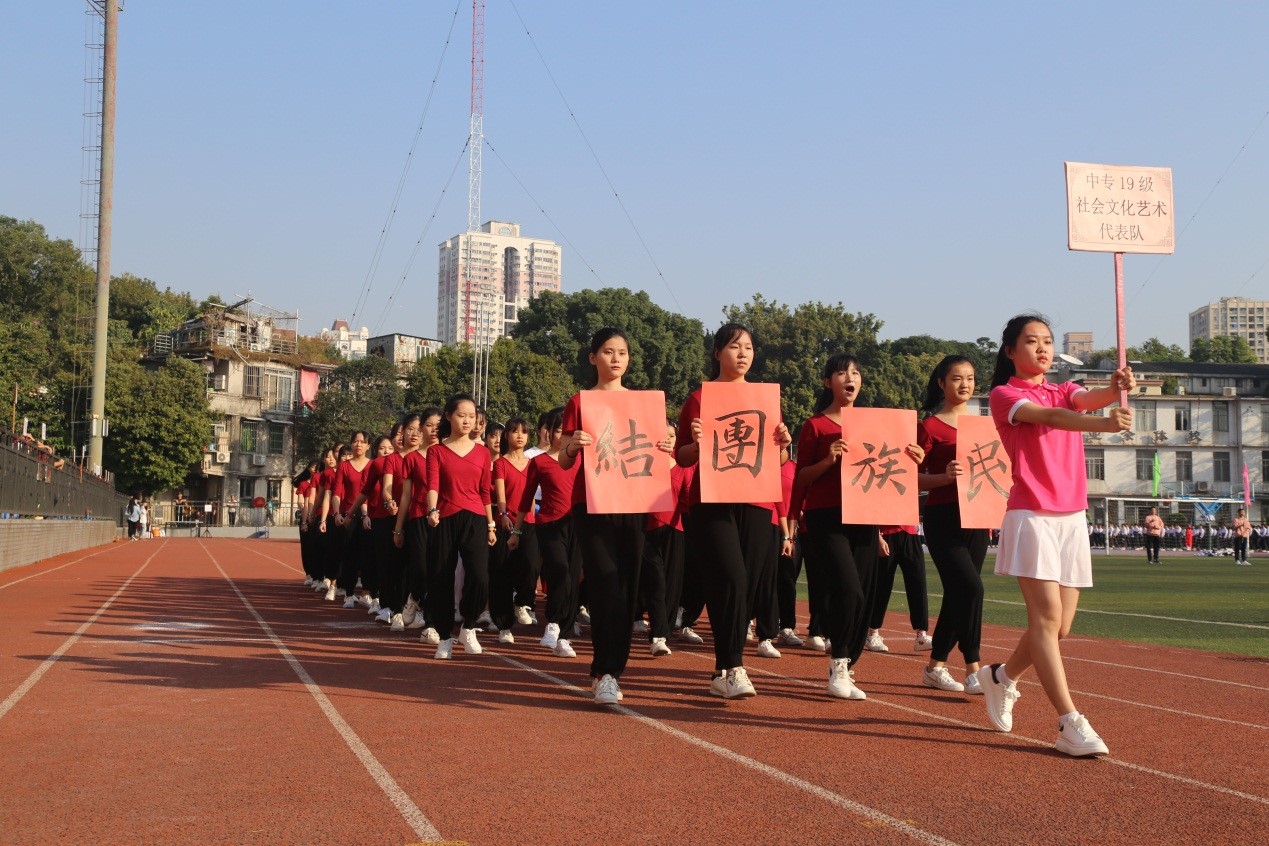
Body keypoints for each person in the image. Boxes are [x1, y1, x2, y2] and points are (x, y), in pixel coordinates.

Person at [977, 313, 1134, 758]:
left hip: (1071, 517)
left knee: (1059, 627)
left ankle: (1002, 677)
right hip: (1032, 514)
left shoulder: (1064, 387)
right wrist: (1106, 424)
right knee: (1044, 620)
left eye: (1047, 341)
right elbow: (1050, 417)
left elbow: (1089, 397)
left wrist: (1118, 384)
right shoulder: (1005, 394)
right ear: (1010, 350)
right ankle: (1069, 721)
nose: (1042, 348)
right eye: (1031, 341)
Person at [789, 353, 922, 699]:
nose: (850, 378)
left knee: (865, 597)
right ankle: (837, 664)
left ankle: (848, 665)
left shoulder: (875, 427)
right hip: (825, 517)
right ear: (827, 382)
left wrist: (913, 460)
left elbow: (886, 477)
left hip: (864, 518)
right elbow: (800, 477)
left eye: (856, 372)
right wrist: (828, 458)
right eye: (841, 372)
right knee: (850, 590)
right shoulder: (816, 426)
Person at [560, 328, 676, 705]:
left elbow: (662, 451)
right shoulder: (580, 402)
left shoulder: (643, 405)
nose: (615, 359)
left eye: (622, 352)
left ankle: (606, 669)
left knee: (626, 587)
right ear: (592, 357)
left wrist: (667, 443)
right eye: (607, 352)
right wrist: (573, 446)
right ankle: (607, 672)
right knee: (605, 585)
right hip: (592, 504)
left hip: (633, 502)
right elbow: (563, 458)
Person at [676, 323, 792, 699]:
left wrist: (785, 443)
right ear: (716, 353)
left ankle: (722, 669)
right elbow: (681, 456)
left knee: (746, 589)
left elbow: (779, 457)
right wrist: (695, 442)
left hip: (758, 503)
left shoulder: (765, 400)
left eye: (748, 347)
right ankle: (735, 667)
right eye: (733, 346)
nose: (742, 353)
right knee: (733, 580)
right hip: (713, 501)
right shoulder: (699, 400)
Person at [915, 355, 989, 694]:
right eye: (957, 378)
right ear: (942, 383)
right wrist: (942, 478)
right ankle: (974, 667)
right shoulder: (929, 426)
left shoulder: (984, 426)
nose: (965, 384)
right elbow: (910, 478)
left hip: (978, 515)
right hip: (943, 516)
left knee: (958, 593)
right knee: (971, 588)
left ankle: (935, 666)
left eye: (971, 378)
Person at [424, 394, 496, 659]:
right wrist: (432, 510)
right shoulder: (437, 451)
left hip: (476, 517)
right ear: (448, 416)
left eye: (472, 416)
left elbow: (485, 492)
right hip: (445, 517)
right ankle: (444, 636)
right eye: (461, 415)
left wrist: (490, 524)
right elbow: (433, 484)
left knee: (479, 575)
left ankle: (468, 625)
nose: (468, 421)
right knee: (440, 577)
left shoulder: (483, 452)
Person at [509, 407, 581, 659]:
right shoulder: (538, 461)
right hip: (549, 525)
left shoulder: (583, 460)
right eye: (560, 430)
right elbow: (526, 497)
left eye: (569, 431)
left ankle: (564, 635)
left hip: (577, 525)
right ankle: (553, 624)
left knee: (571, 578)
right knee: (560, 571)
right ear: (548, 432)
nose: (564, 436)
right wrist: (516, 531)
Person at [490, 417, 537, 642]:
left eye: (524, 432)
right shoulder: (500, 463)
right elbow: (500, 495)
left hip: (530, 522)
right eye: (515, 431)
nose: (520, 435)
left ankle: (522, 602)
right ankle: (504, 626)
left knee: (532, 565)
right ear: (506, 435)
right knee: (503, 573)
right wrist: (503, 515)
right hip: (506, 523)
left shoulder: (532, 464)